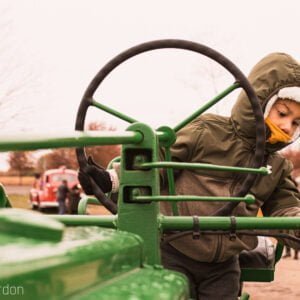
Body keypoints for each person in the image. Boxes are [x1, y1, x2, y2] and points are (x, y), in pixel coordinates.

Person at [78, 52, 300, 300]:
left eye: (296, 122)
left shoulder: (278, 166)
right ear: (259, 101)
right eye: (282, 113)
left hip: (224, 264)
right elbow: (158, 162)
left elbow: (286, 208)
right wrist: (112, 180)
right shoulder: (207, 131)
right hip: (173, 248)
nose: (287, 126)